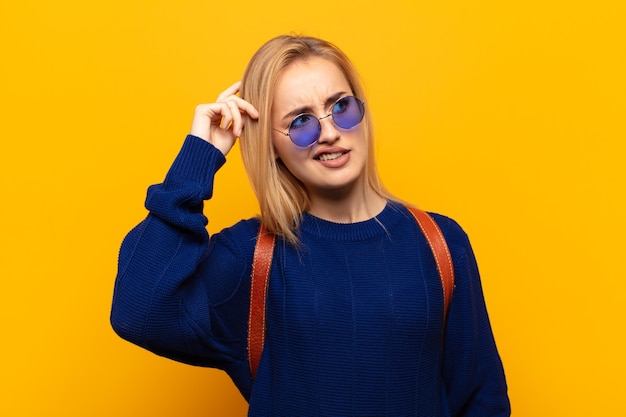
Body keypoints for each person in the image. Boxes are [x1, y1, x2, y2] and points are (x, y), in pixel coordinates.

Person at [110, 35, 510, 416]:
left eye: (341, 107)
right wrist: (200, 157)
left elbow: (481, 399)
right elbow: (137, 311)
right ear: (272, 145)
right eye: (300, 122)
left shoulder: (440, 243)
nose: (330, 133)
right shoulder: (251, 256)